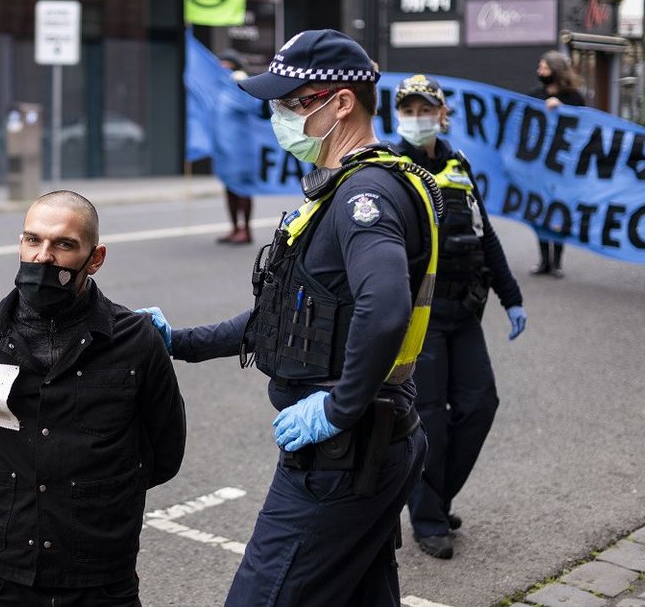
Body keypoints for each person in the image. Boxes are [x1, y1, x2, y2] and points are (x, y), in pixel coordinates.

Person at [145, 30, 439, 606]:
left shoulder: (366, 197)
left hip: (344, 456)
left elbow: (386, 308)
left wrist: (339, 405)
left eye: (291, 102)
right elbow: (288, 323)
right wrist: (178, 342)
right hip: (376, 443)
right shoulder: (350, 187)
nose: (277, 114)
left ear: (342, 103)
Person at [0, 190, 186, 607]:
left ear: (95, 258)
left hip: (101, 574)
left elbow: (164, 449)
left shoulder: (136, 340)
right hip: (2, 571)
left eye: (63, 244)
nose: (43, 257)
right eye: (33, 240)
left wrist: (100, 497)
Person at [393, 74, 527, 559]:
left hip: (465, 310)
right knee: (430, 419)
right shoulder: (391, 168)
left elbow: (484, 233)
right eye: (407, 109)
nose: (416, 117)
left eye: (424, 108)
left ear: (442, 113)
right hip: (420, 316)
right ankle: (428, 519)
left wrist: (511, 296)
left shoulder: (458, 164)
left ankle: (435, 495)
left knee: (480, 404)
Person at [527, 50, 585, 278]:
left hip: (563, 167)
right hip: (538, 165)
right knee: (539, 211)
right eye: (540, 68)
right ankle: (544, 260)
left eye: (544, 68)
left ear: (557, 71)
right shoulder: (533, 95)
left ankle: (557, 261)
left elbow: (583, 124)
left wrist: (562, 108)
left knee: (559, 213)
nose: (540, 72)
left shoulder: (574, 98)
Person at [216, 48, 255, 245]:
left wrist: (239, 83)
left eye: (227, 66)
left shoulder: (240, 86)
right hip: (225, 149)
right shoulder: (220, 90)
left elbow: (251, 107)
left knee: (242, 189)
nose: (223, 70)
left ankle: (246, 230)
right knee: (229, 188)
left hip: (241, 149)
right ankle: (234, 227)